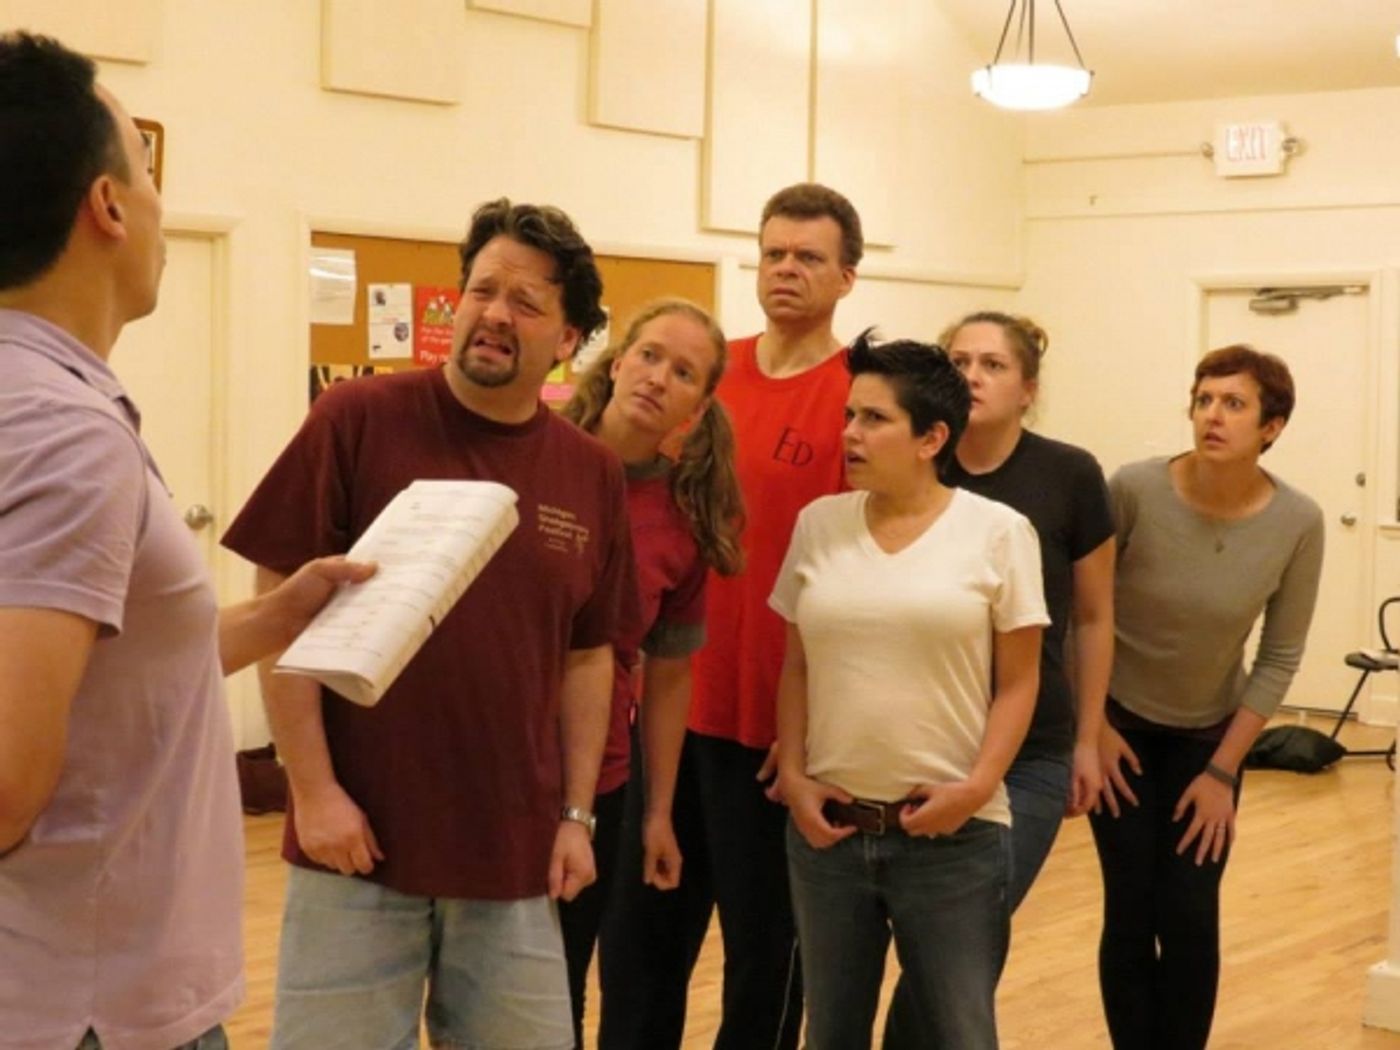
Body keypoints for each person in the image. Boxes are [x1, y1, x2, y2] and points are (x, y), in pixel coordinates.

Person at [0, 32, 372, 1050]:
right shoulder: (63, 433)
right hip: (87, 1010)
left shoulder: (41, 403)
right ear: (108, 206)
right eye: (148, 170)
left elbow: (101, 676)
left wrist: (277, 616)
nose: (163, 204)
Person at [221, 199, 638, 1050]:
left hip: (513, 853)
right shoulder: (356, 418)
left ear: (568, 338)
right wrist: (313, 793)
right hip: (354, 846)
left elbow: (589, 655)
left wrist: (575, 816)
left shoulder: (590, 472)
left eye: (526, 302)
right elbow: (281, 613)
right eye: (482, 290)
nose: (495, 314)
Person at [612, 183, 862, 1049]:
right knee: (640, 951)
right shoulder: (705, 378)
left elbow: (856, 584)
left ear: (847, 277)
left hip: (771, 738)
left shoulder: (856, 400)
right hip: (669, 715)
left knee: (764, 965)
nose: (786, 269)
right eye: (774, 253)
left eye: (809, 257)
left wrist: (809, 734)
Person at [772, 332, 1048, 1049]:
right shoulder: (818, 524)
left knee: (958, 1034)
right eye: (849, 416)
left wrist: (975, 787)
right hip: (830, 836)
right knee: (831, 1034)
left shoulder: (999, 533)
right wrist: (795, 778)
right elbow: (797, 666)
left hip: (954, 838)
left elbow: (1021, 681)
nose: (850, 434)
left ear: (932, 438)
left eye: (874, 419)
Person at [1090, 345, 1324, 1049]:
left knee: (1190, 914)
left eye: (1234, 404)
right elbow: (1084, 613)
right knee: (1130, 909)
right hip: (1119, 729)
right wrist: (1092, 726)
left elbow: (1279, 655)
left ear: (1271, 427)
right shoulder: (1133, 489)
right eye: (1203, 400)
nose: (1212, 416)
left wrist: (1223, 771)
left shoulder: (1298, 521)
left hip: (1209, 741)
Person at [556, 298, 744, 1049]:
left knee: (561, 979)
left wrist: (657, 813)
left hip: (596, 780)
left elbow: (668, 677)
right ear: (617, 362)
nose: (659, 378)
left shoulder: (681, 518)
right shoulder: (535, 458)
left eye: (684, 373)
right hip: (491, 763)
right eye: (650, 355)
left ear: (698, 407)